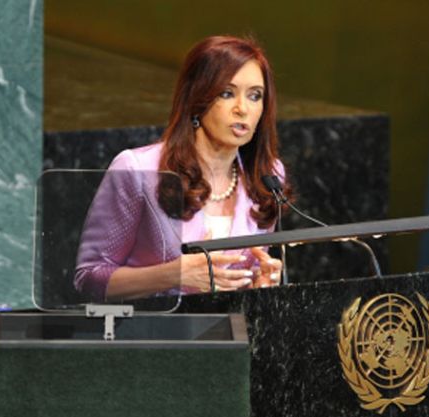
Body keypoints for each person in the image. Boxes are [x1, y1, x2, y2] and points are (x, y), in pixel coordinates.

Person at [74, 36, 290, 301]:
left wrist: (257, 284)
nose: (242, 109)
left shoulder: (268, 177)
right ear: (197, 98)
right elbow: (90, 278)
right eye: (227, 93)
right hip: (154, 325)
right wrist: (174, 274)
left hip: (230, 326)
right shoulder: (138, 169)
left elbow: (239, 279)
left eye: (255, 96)